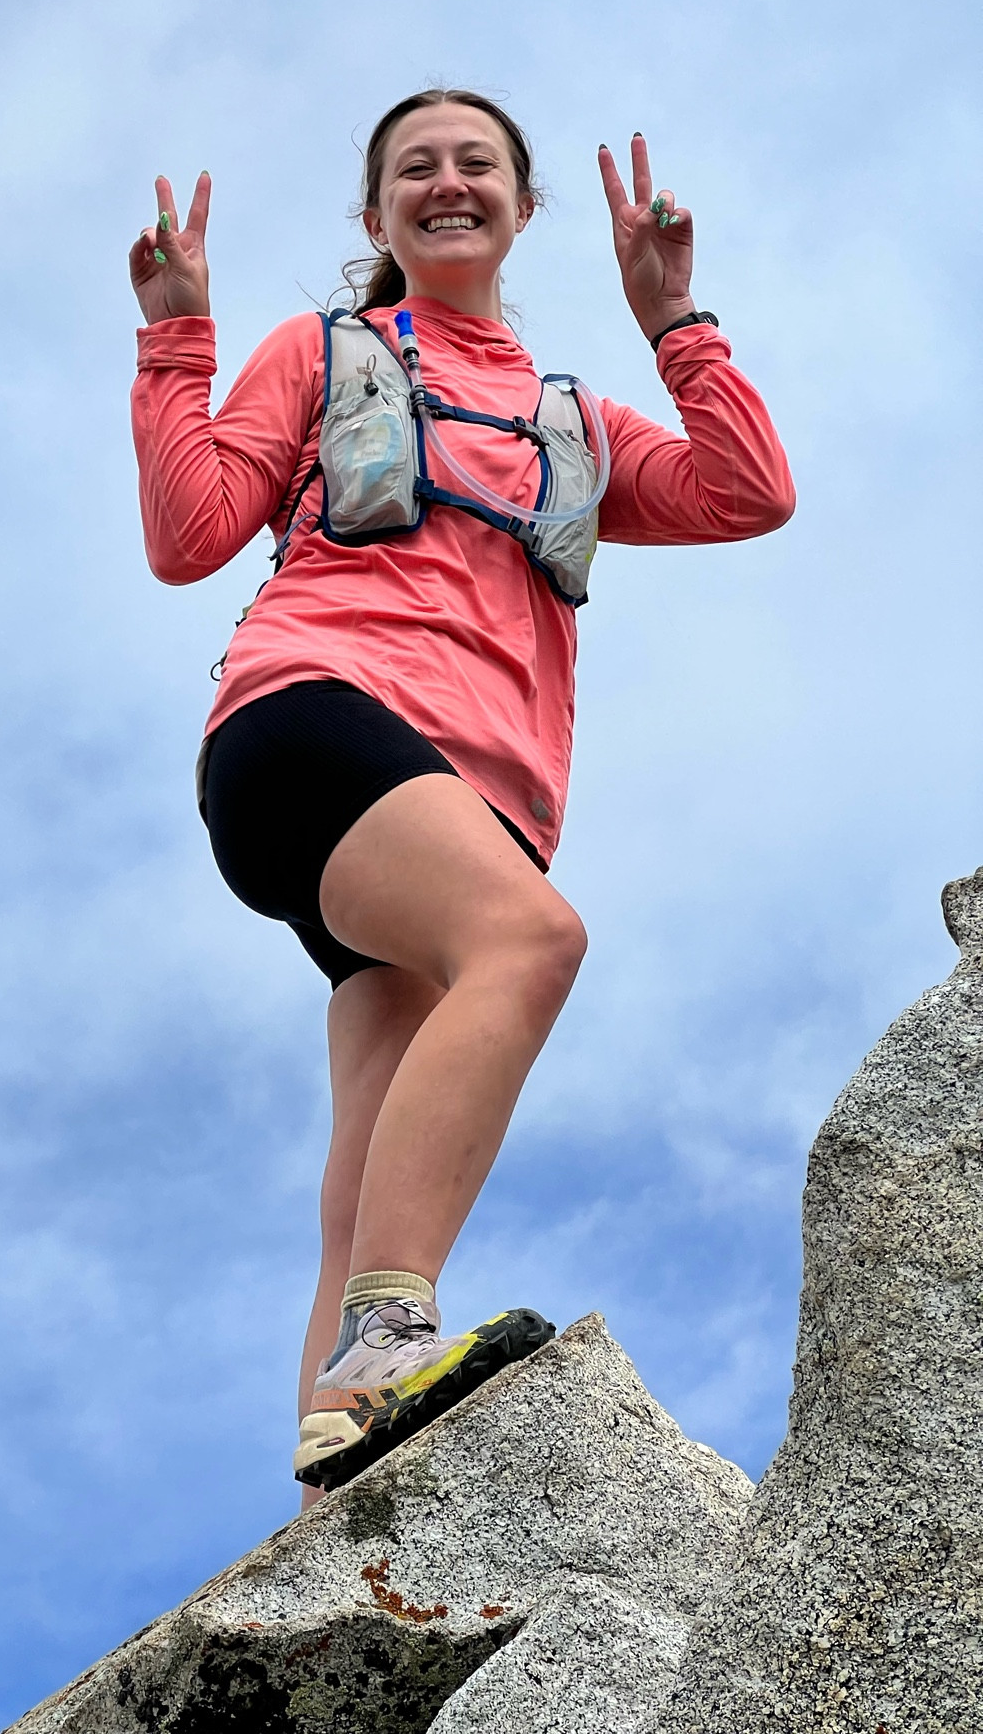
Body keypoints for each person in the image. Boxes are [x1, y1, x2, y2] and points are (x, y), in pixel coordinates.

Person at [127, 89, 795, 1502]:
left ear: (522, 207)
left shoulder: (573, 416)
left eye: (475, 164)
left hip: (470, 799)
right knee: (533, 942)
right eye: (414, 169)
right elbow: (191, 535)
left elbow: (747, 490)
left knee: (372, 1154)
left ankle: (339, 1488)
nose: (447, 183)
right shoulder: (324, 351)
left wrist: (675, 317)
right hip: (312, 720)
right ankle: (391, 1338)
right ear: (375, 218)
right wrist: (177, 339)